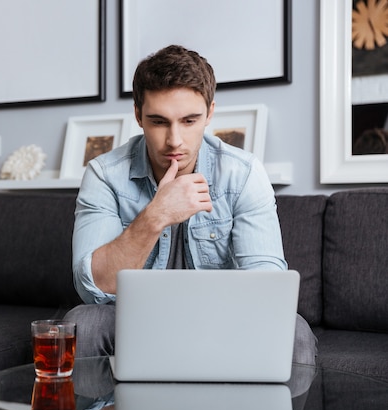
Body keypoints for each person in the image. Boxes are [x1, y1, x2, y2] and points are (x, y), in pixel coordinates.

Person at [64, 44, 318, 365]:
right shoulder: (104, 174)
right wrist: (155, 216)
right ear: (138, 115)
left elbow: (268, 287)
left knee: (291, 331)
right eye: (158, 121)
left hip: (224, 320)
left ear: (210, 113)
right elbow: (94, 289)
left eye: (189, 120)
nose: (174, 141)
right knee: (82, 322)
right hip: (134, 320)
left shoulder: (242, 174)